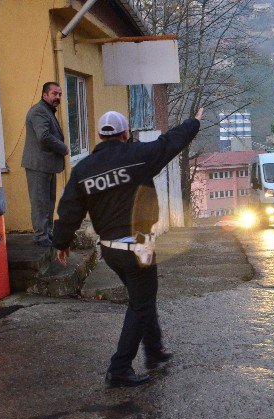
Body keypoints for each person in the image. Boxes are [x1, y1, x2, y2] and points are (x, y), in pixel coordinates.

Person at [53, 107, 203, 387]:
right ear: (125, 134)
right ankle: (120, 368)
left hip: (110, 250)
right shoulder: (137, 157)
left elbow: (69, 208)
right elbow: (170, 142)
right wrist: (193, 122)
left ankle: (155, 350)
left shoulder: (84, 169)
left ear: (100, 135)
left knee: (142, 298)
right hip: (138, 246)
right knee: (141, 303)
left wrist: (61, 242)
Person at [22, 82, 69, 247]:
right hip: (38, 166)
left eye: (60, 94)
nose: (57, 97)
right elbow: (44, 136)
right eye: (54, 93)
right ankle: (41, 236)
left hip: (47, 165)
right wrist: (63, 148)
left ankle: (47, 233)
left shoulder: (47, 111)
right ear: (44, 94)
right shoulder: (38, 111)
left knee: (48, 202)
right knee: (40, 202)